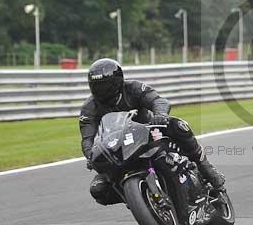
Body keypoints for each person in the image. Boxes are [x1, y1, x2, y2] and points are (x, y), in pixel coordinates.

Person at [79, 58, 224, 205]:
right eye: (97, 86)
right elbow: (87, 138)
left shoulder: (133, 88)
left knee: (178, 125)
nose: (101, 91)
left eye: (105, 86)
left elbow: (159, 101)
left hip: (148, 133)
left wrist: (160, 115)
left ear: (117, 81)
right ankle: (136, 199)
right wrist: (91, 155)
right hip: (118, 149)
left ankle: (206, 168)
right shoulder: (89, 108)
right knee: (98, 190)